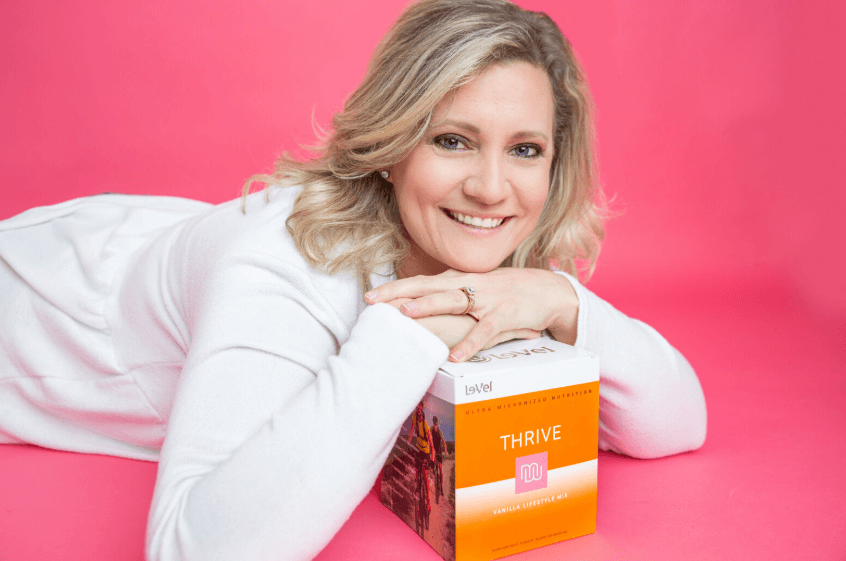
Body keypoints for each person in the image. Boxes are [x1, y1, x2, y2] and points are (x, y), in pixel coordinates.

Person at [0, 0, 707, 560]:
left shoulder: (480, 248)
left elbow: (679, 421)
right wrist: (410, 330)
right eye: (452, 140)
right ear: (391, 148)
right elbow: (194, 550)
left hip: (151, 246)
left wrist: (561, 298)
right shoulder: (284, 265)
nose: (492, 187)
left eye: (525, 150)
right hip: (34, 303)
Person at [407, 402, 436, 513]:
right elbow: (411, 431)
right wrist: (407, 444)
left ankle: (428, 501)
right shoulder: (414, 416)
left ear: (422, 410)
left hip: (426, 451)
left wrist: (432, 460)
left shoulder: (425, 425)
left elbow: (431, 445)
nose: (418, 409)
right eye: (417, 407)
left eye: (420, 407)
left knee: (425, 474)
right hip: (419, 448)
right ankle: (418, 488)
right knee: (417, 470)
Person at [430, 416, 447, 502]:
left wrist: (446, 451)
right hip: (434, 449)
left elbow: (444, 442)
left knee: (440, 468)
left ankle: (442, 488)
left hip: (439, 451)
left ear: (437, 423)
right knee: (432, 457)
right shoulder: (431, 428)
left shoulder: (440, 431)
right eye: (434, 423)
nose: (435, 425)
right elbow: (429, 435)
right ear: (433, 423)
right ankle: (433, 469)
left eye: (436, 423)